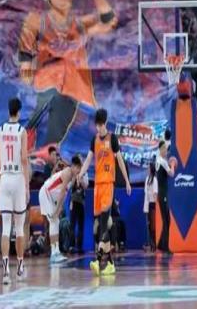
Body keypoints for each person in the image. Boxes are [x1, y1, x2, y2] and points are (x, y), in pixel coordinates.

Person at [19, 0, 118, 151]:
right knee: (44, 124)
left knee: (72, 135)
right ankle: (34, 147)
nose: (62, 1)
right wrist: (25, 66)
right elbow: (26, 47)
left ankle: (52, 153)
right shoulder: (37, 20)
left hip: (76, 88)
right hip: (47, 84)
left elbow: (109, 22)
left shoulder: (78, 24)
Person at [78, 108, 131, 276]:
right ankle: (109, 263)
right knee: (98, 226)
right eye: (97, 125)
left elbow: (120, 160)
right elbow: (88, 159)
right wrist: (81, 173)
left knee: (103, 224)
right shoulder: (94, 140)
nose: (99, 128)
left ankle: (99, 259)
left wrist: (127, 181)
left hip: (108, 185)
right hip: (97, 187)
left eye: (101, 125)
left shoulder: (112, 139)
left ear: (105, 123)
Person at [0, 97, 29, 284]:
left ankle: (6, 271)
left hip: (5, 178)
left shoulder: (0, 130)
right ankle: (20, 266)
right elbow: (24, 159)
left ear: (9, 110)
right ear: (19, 111)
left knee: (6, 228)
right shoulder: (21, 131)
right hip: (17, 178)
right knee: (20, 227)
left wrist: (2, 178)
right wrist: (26, 186)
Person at [39, 156, 82, 263]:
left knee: (56, 222)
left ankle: (56, 251)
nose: (79, 170)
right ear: (74, 166)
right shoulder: (67, 173)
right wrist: (58, 209)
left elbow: (64, 194)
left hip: (52, 196)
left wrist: (59, 208)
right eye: (78, 168)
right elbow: (62, 191)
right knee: (53, 221)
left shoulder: (73, 177)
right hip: (46, 193)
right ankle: (53, 254)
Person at [155, 140, 176, 253]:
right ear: (160, 149)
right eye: (163, 149)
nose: (165, 151)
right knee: (167, 220)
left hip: (162, 193)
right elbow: (171, 174)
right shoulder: (162, 161)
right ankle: (165, 247)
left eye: (166, 149)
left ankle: (161, 244)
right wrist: (172, 165)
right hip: (163, 194)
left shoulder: (158, 160)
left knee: (167, 219)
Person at [69, 158, 88, 255]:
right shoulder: (72, 174)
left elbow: (86, 186)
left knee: (81, 225)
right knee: (72, 224)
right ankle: (71, 246)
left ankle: (79, 246)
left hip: (81, 202)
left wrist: (80, 179)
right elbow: (70, 186)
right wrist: (74, 177)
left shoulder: (84, 174)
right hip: (74, 201)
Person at [143, 162, 158, 252]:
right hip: (147, 204)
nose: (147, 169)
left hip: (153, 204)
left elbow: (155, 193)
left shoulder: (155, 180)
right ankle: (151, 243)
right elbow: (146, 192)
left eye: (148, 168)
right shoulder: (147, 179)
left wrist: (156, 206)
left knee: (153, 226)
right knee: (148, 225)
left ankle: (154, 244)